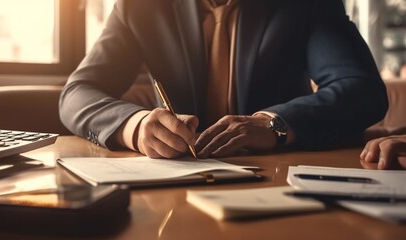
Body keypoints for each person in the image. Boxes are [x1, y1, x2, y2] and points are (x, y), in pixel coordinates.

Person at [59, 0, 388, 159]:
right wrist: (135, 125)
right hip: (174, 183)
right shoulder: (141, 6)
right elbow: (78, 92)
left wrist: (274, 125)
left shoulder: (304, 4)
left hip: (278, 180)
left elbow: (361, 88)